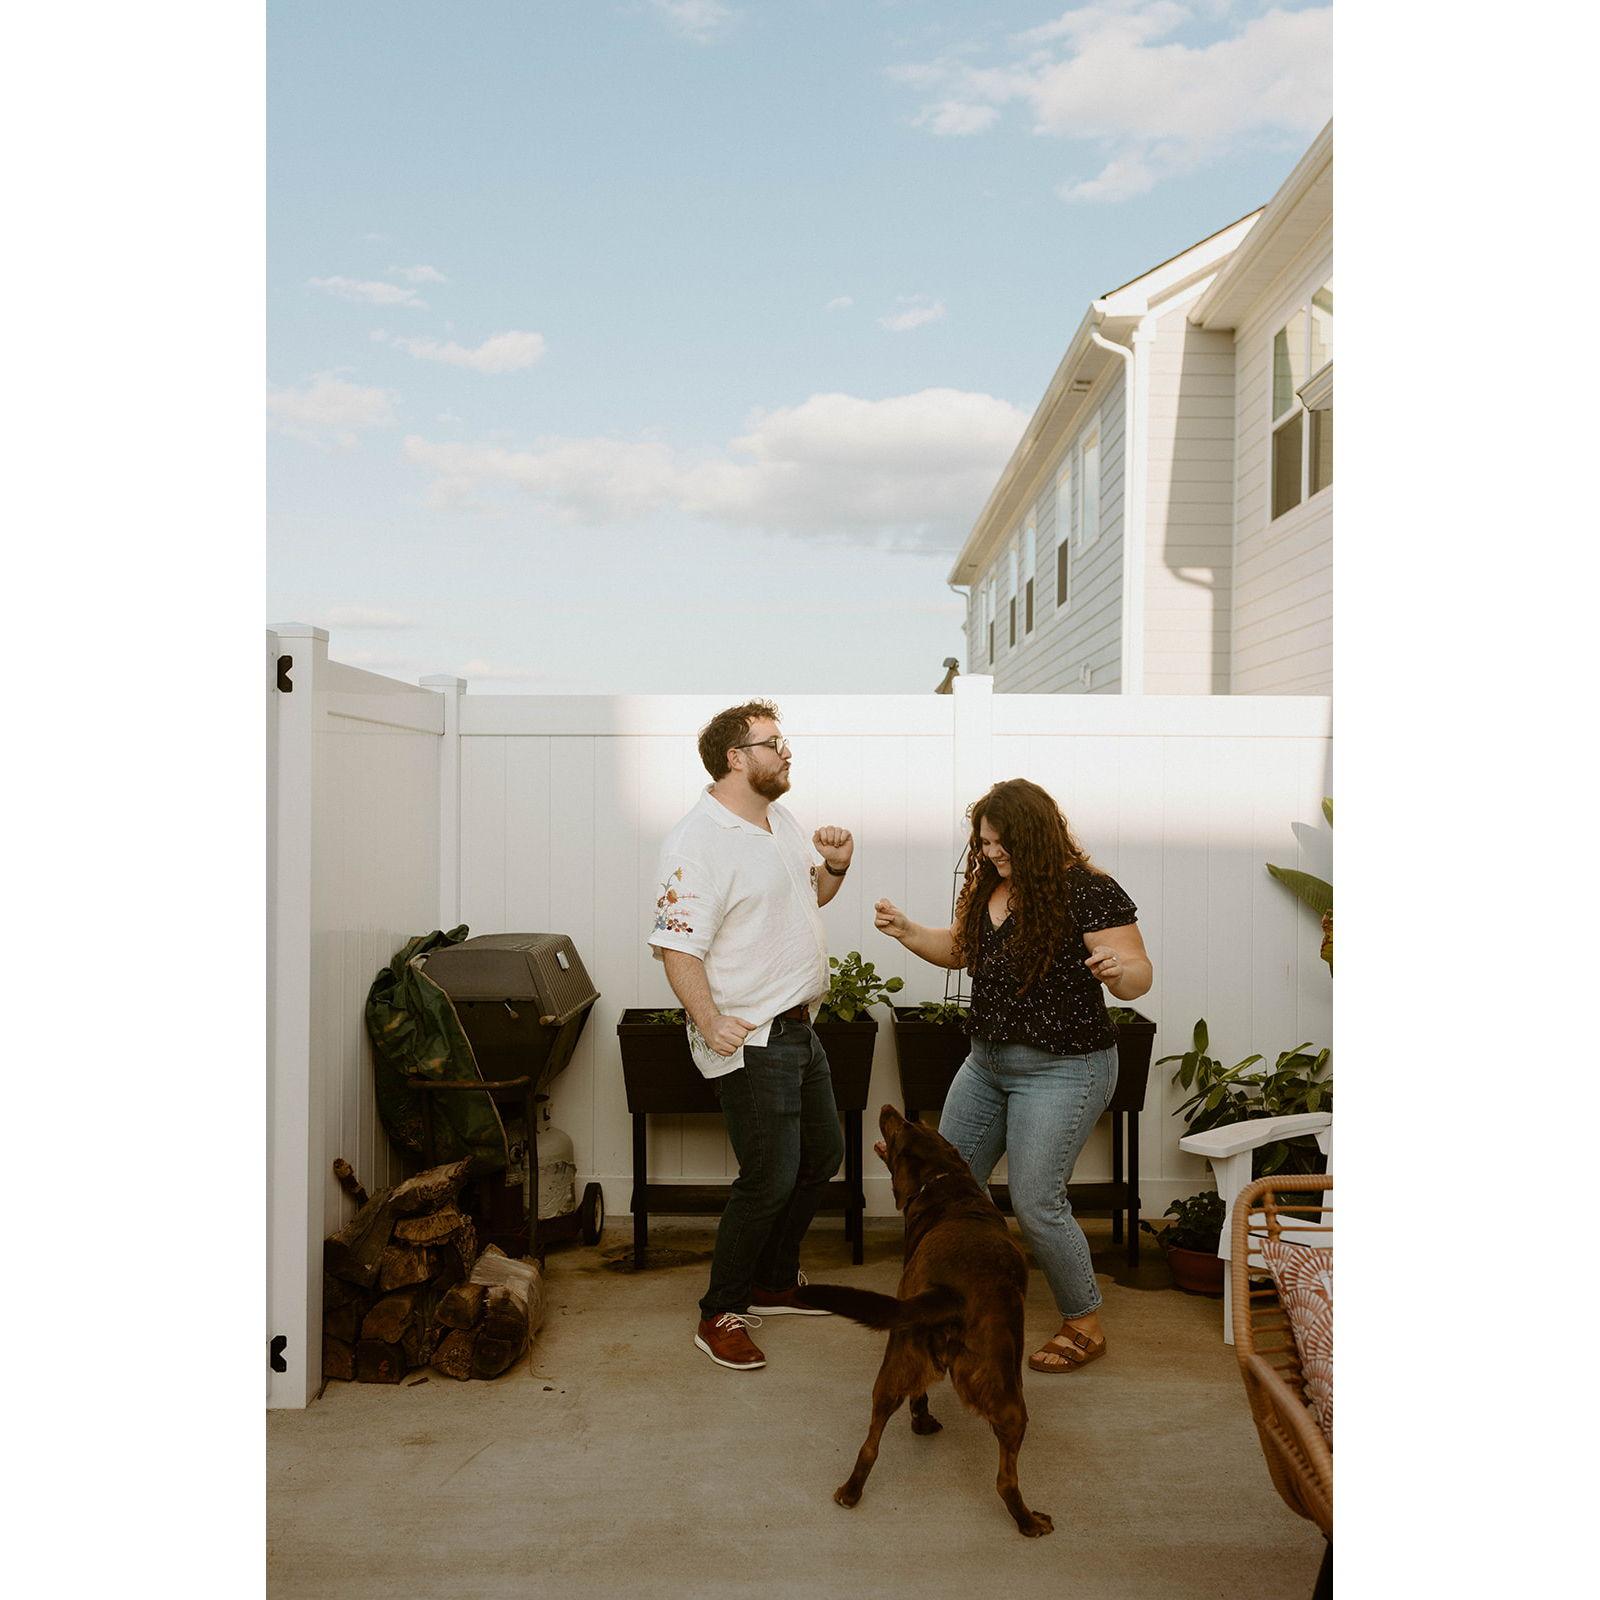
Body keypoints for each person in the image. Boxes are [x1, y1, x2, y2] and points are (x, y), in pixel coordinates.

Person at [873, 778, 1152, 1374]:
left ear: (1035, 835)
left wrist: (1115, 970)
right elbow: (959, 949)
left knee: (1035, 1201)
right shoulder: (988, 890)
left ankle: (1084, 1321)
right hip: (986, 1063)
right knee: (942, 1187)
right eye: (984, 843)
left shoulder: (1088, 891)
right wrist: (906, 930)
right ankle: (948, 1307)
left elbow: (1138, 974)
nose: (992, 853)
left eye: (1002, 843)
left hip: (1064, 1069)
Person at [647, 699, 853, 1372]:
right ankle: (721, 1311)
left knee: (822, 1154)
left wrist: (835, 869)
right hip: (754, 1036)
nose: (786, 752)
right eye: (773, 742)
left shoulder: (779, 820)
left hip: (798, 1025)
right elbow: (676, 948)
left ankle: (773, 1278)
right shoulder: (695, 843)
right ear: (736, 757)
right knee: (768, 1176)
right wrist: (710, 1022)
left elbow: (803, 899)